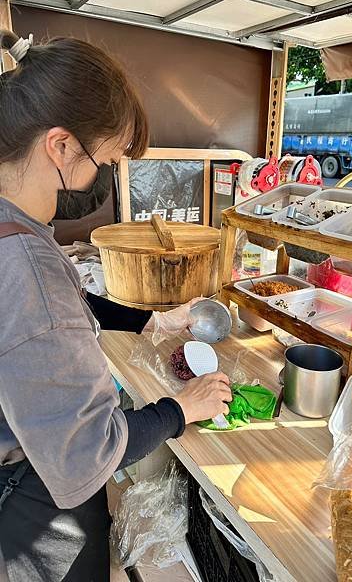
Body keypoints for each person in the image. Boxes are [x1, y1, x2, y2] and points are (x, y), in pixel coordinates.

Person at [0, 31, 232, 582]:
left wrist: (154, 319)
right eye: (104, 158)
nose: (102, 176)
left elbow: (67, 306)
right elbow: (87, 452)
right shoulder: (25, 265)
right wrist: (180, 409)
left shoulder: (18, 229)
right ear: (59, 146)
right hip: (32, 511)